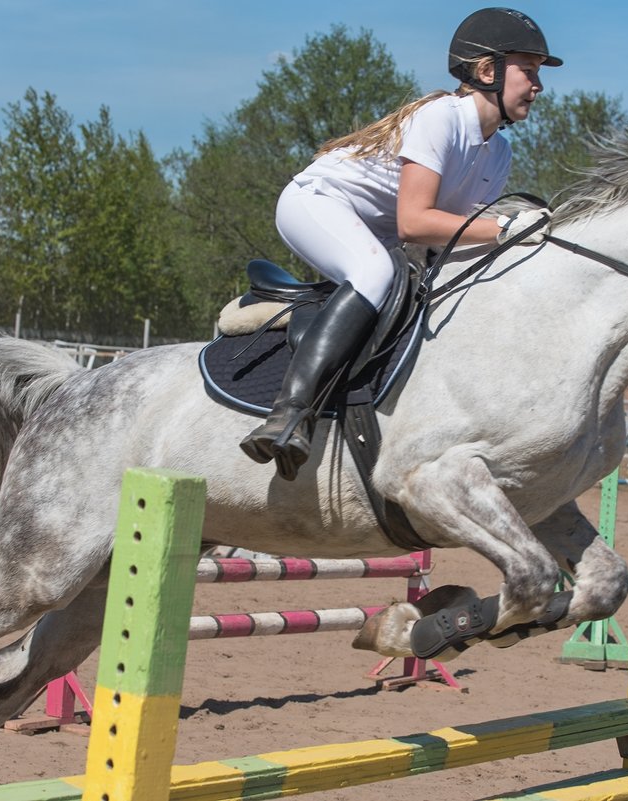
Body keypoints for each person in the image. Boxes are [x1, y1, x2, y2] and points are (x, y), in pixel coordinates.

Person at [240, 8, 563, 480]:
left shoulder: (499, 151)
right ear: (488, 70)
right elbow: (415, 223)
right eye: (529, 71)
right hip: (319, 205)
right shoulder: (441, 118)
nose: (537, 86)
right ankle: (289, 413)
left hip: (379, 230)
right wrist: (504, 230)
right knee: (375, 274)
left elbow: (450, 241)